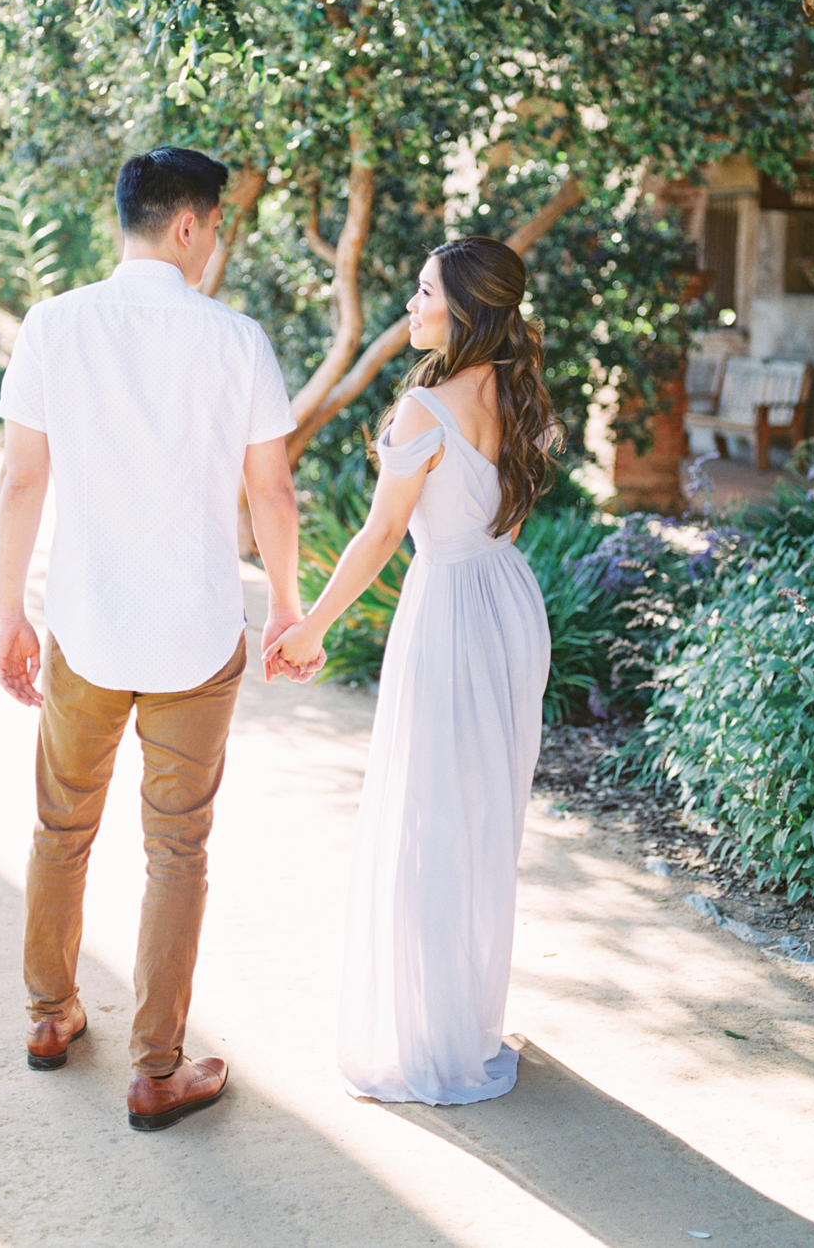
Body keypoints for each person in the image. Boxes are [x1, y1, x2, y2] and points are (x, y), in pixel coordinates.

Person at [0, 146, 321, 1132]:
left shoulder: (54, 325)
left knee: (63, 828)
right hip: (195, 630)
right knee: (177, 850)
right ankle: (157, 1067)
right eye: (215, 225)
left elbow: (20, 479)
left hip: (87, 628)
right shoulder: (236, 339)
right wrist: (289, 607)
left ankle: (51, 1018)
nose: (215, 243)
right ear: (188, 225)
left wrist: (8, 611)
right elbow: (271, 490)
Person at [265, 235, 557, 1105]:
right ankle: (462, 1020)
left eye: (424, 291)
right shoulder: (517, 387)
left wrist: (310, 627)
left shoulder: (426, 407)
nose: (411, 305)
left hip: (455, 609)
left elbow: (382, 534)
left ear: (463, 306)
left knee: (433, 819)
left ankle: (434, 1041)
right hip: (511, 601)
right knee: (483, 818)